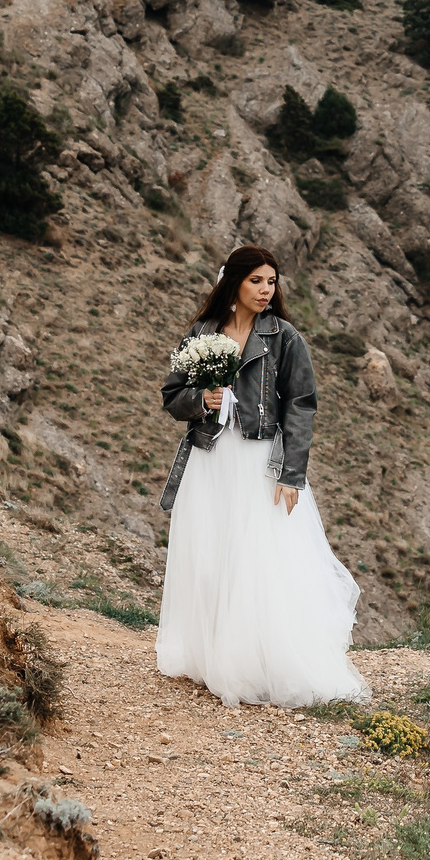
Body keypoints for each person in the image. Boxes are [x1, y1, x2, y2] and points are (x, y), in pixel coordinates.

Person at [156, 245, 370, 707]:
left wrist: (293, 474)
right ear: (233, 282)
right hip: (210, 459)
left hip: (260, 464)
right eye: (256, 280)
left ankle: (255, 664)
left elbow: (301, 406)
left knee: (260, 562)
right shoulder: (202, 333)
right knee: (211, 557)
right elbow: (172, 396)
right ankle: (209, 657)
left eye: (271, 281)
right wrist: (202, 400)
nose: (266, 290)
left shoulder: (284, 337)